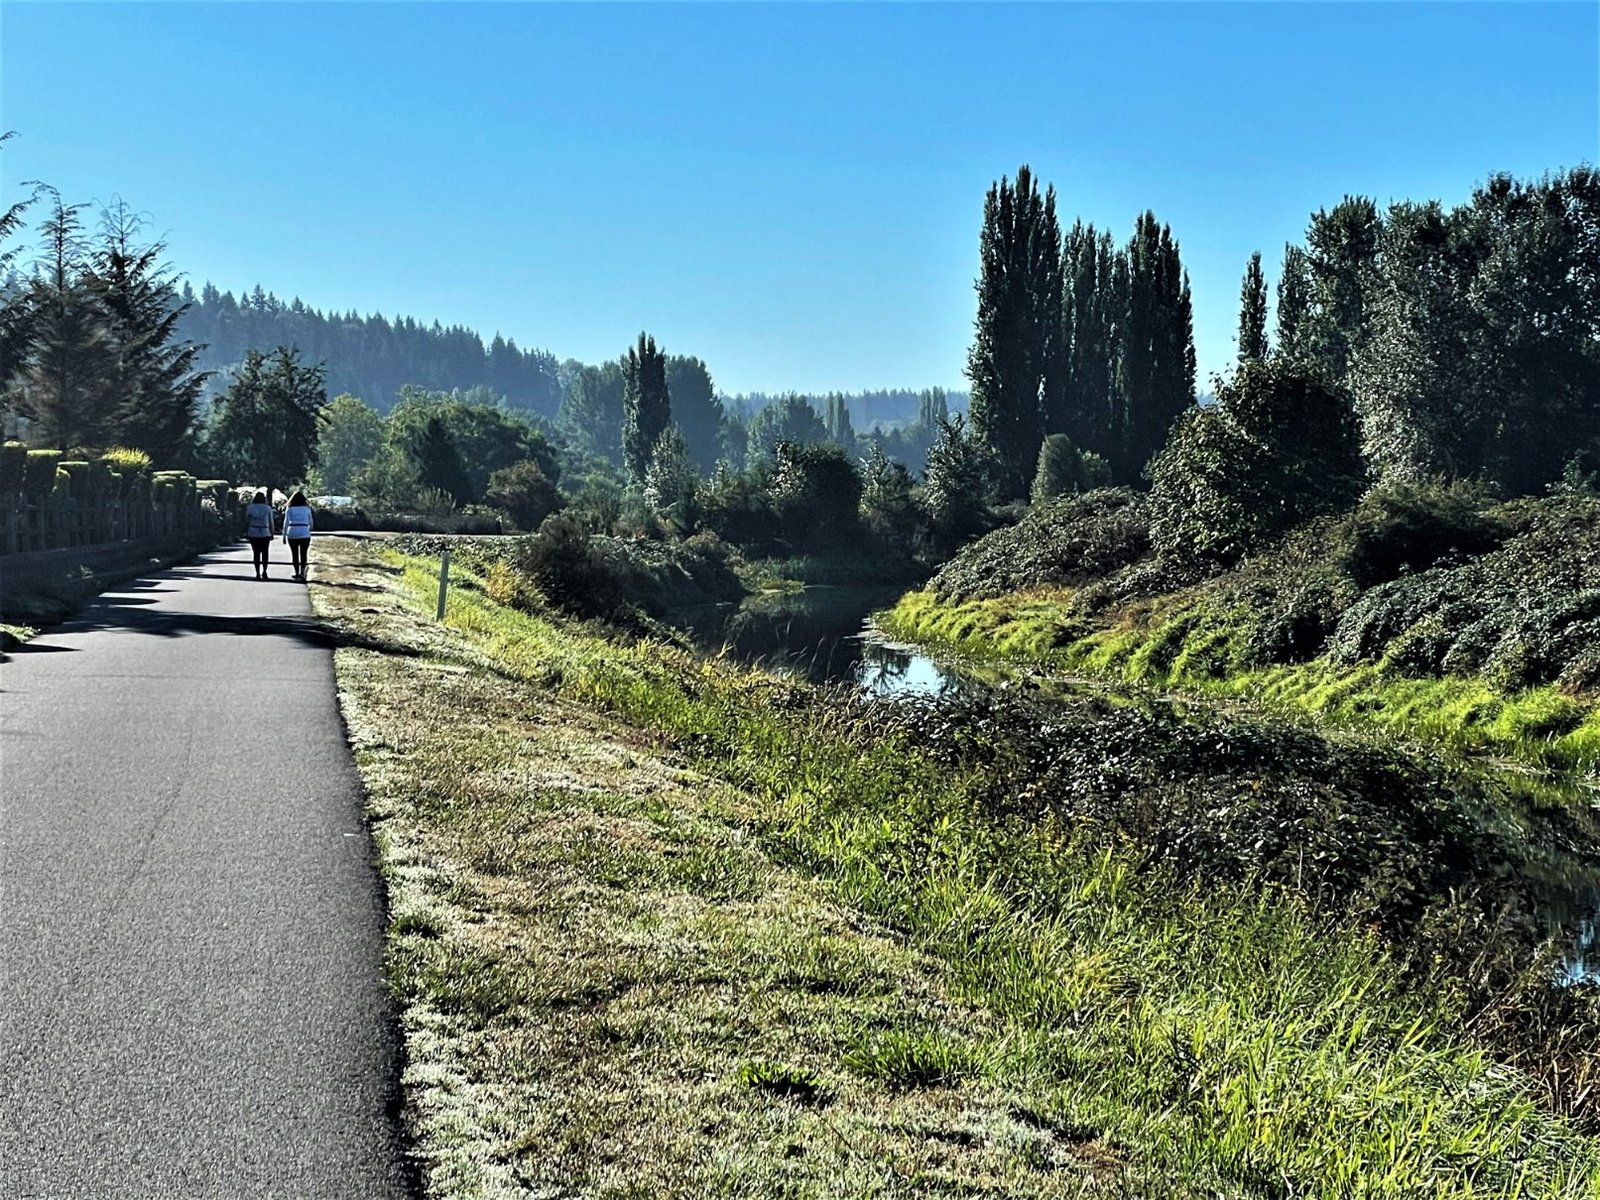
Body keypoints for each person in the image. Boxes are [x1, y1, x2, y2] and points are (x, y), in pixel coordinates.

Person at [243, 490, 276, 579]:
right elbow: (271, 521)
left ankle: (257, 572)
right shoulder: (267, 508)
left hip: (253, 531)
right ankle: (264, 571)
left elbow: (247, 521)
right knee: (265, 553)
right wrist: (272, 532)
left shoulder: (250, 508)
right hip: (265, 531)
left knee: (256, 553)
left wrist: (246, 532)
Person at [283, 490, 314, 582]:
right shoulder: (307, 509)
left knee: (295, 554)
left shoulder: (290, 508)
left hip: (293, 531)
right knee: (303, 553)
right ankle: (303, 572)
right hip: (304, 531)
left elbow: (286, 522)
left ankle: (296, 572)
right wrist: (310, 528)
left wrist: (284, 535)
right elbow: (311, 521)